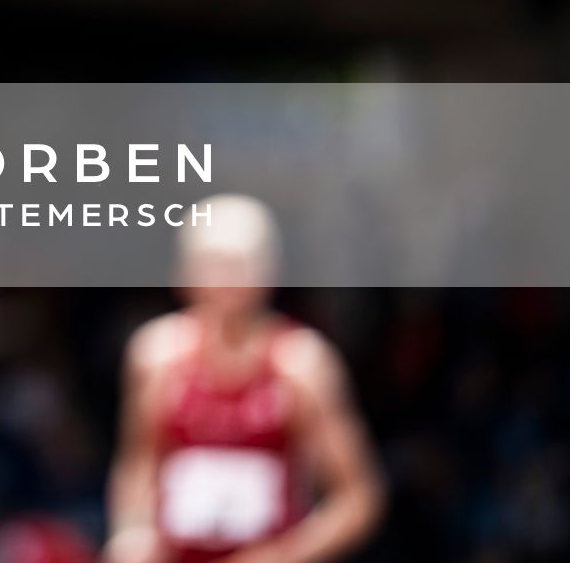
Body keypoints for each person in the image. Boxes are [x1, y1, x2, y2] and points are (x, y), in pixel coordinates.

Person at [105, 195, 384, 563]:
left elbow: (358, 498)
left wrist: (285, 555)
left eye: (238, 265)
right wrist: (132, 533)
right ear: (184, 273)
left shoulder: (301, 364)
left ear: (269, 272)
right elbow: (138, 463)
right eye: (212, 265)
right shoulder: (156, 356)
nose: (225, 280)